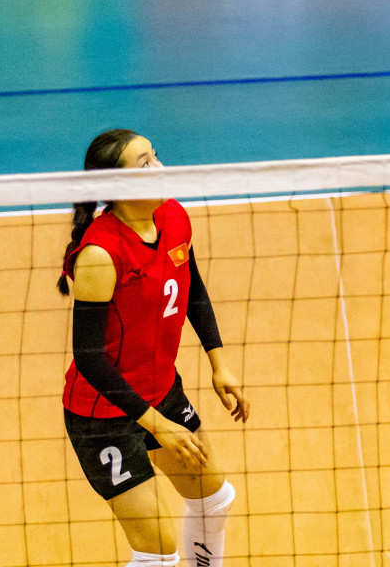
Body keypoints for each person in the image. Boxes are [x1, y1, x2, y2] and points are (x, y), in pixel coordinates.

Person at [59, 129, 249, 567]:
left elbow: (191, 288)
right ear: (117, 185)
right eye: (144, 164)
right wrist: (157, 425)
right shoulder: (100, 254)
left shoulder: (174, 217)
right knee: (158, 555)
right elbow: (89, 358)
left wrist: (219, 363)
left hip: (161, 389)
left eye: (156, 156)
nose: (160, 168)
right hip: (103, 415)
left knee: (214, 498)